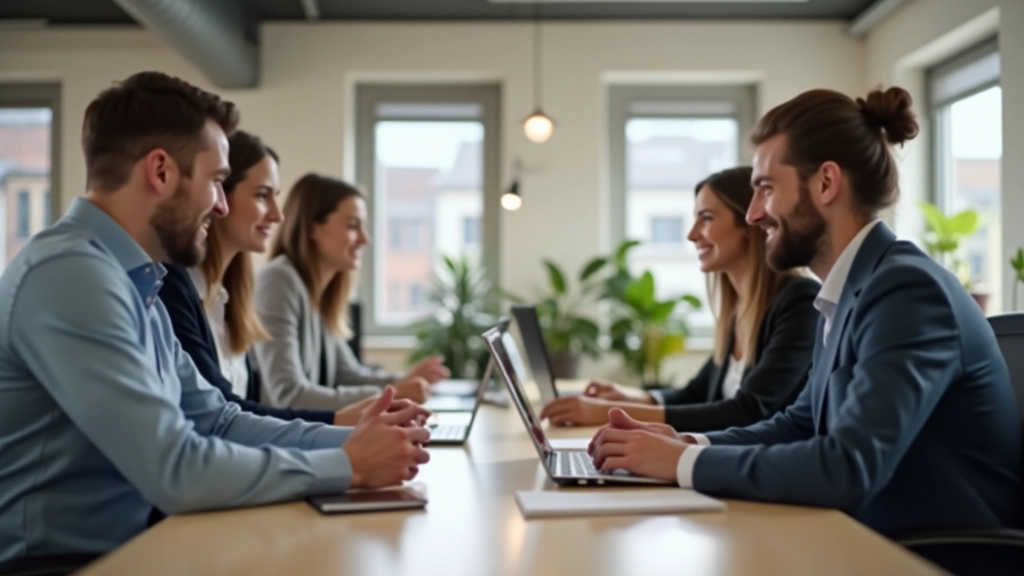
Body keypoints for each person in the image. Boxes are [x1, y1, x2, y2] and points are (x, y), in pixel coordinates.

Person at [0, 71, 430, 565]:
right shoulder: (70, 275)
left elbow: (217, 419)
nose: (222, 205)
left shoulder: (135, 279)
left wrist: (361, 440)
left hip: (133, 550)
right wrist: (347, 464)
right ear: (160, 172)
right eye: (217, 181)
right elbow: (176, 468)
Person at [589, 86, 1021, 534]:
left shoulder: (907, 290)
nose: (754, 215)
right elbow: (799, 423)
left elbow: (849, 466)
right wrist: (687, 441)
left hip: (932, 554)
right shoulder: (852, 288)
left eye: (766, 189)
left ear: (826, 183)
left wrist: (684, 462)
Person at [540, 167, 819, 430]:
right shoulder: (743, 308)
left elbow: (748, 411)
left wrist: (607, 413)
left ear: (749, 222)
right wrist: (628, 399)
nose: (691, 234)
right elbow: (697, 392)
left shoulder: (799, 302)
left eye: (706, 218)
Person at [159, 131, 377, 426]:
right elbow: (223, 415)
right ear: (219, 195)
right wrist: (340, 422)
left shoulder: (231, 299)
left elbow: (244, 411)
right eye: (262, 195)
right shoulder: (175, 289)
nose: (277, 215)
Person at [254, 174, 450, 411]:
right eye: (352, 225)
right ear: (313, 227)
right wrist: (392, 394)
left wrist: (402, 381)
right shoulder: (279, 281)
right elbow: (289, 396)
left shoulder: (317, 290)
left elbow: (347, 374)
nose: (365, 239)